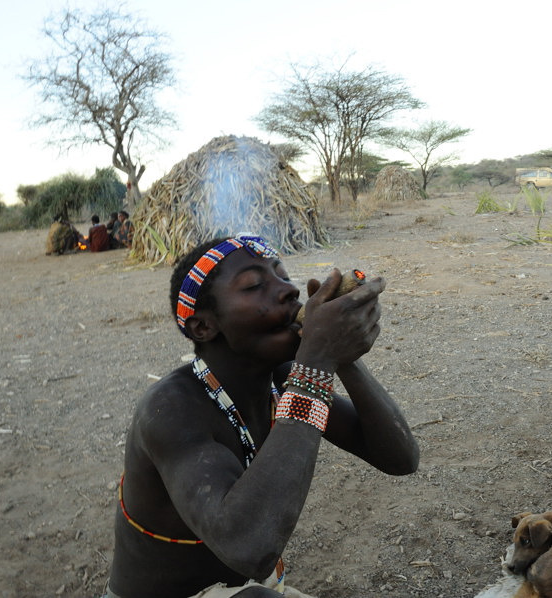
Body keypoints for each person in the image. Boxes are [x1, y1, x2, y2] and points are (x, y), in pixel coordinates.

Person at [104, 234, 419, 598]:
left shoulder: (284, 378)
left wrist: (340, 357)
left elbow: (400, 457)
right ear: (204, 327)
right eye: (254, 285)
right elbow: (247, 548)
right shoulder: (171, 409)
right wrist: (318, 361)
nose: (288, 291)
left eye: (284, 277)